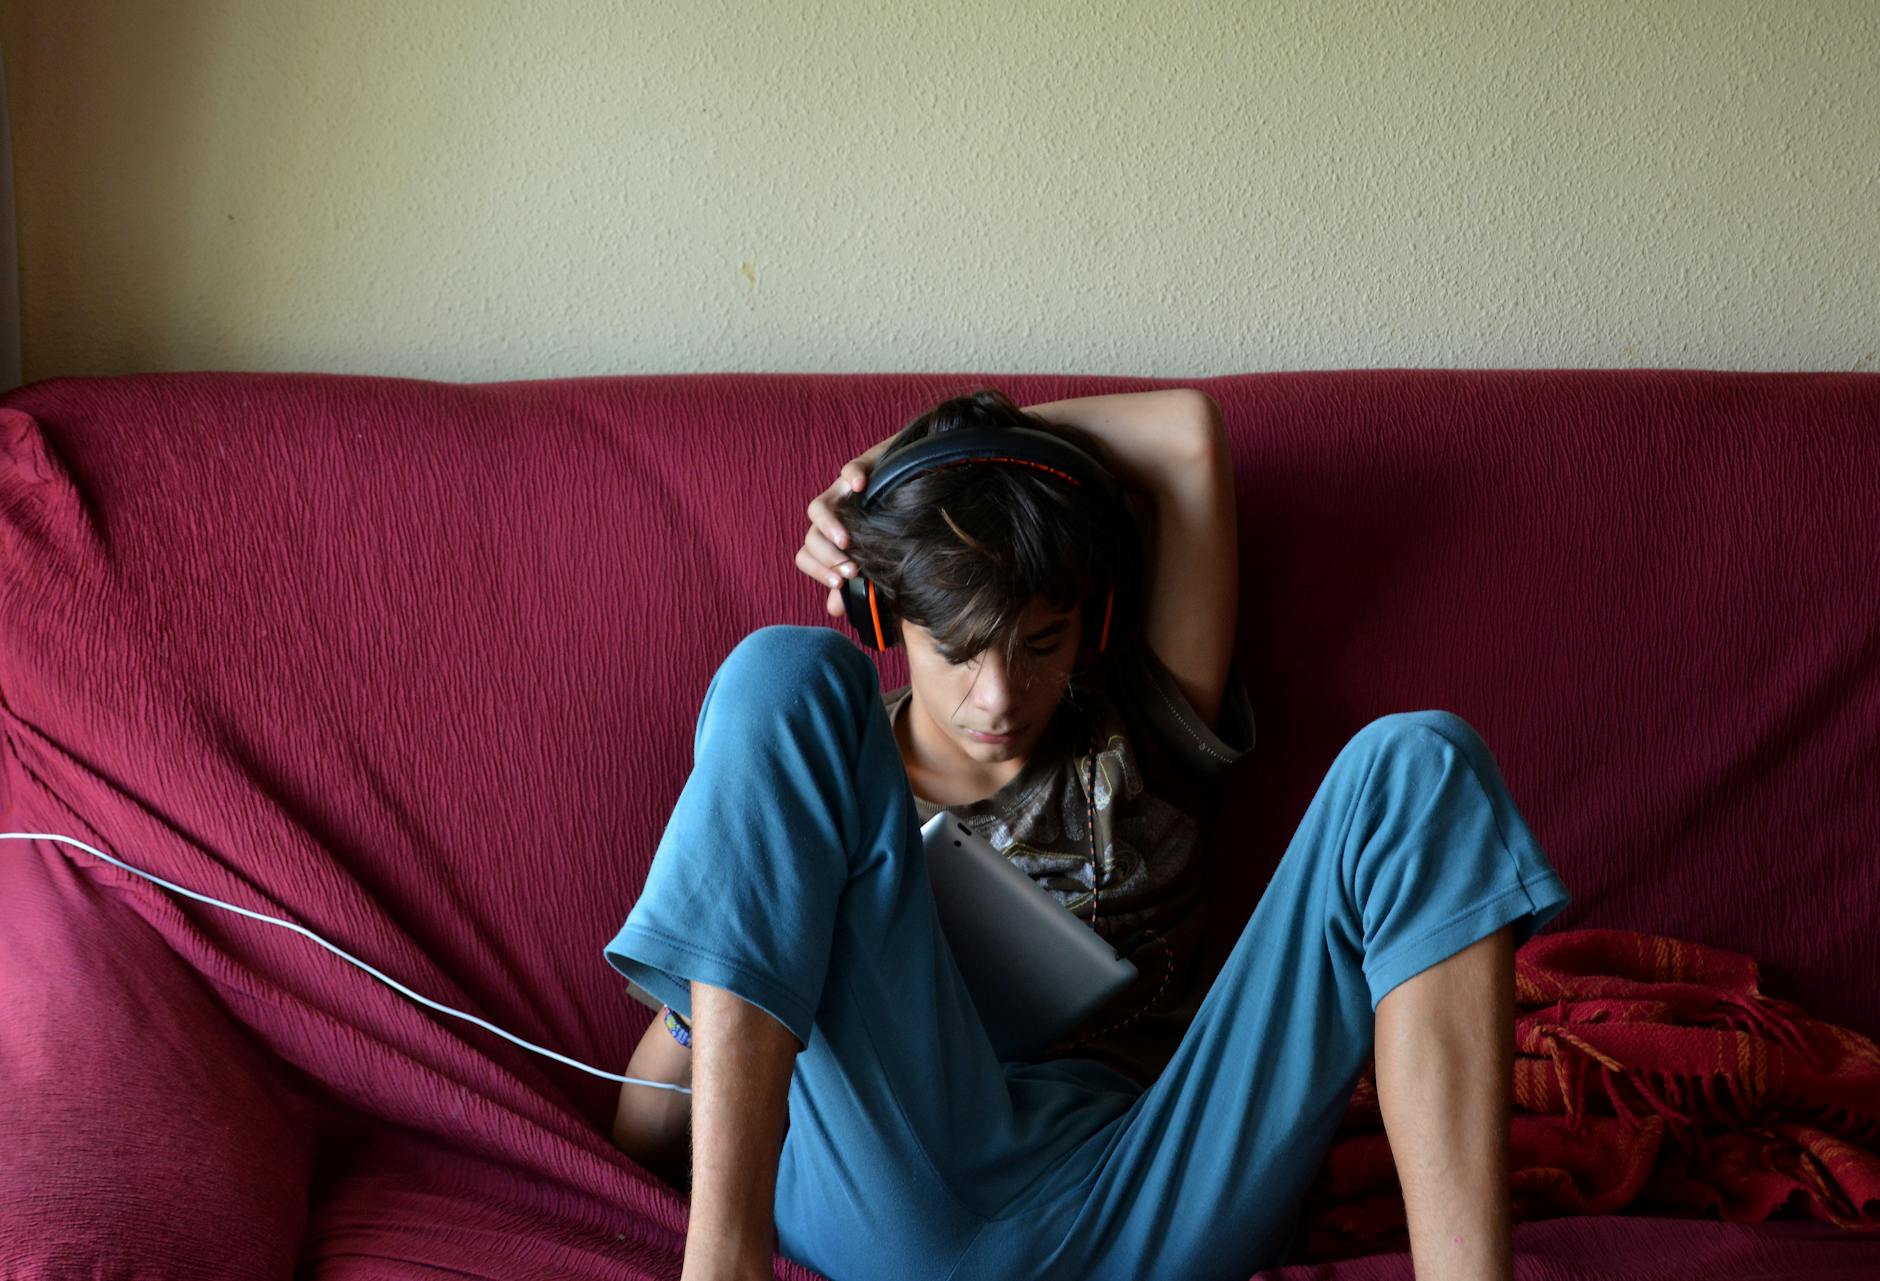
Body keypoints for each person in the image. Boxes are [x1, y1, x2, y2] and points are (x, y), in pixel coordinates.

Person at [604, 387, 1571, 1281]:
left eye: (1040, 644)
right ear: (884, 609)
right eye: (959, 649)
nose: (999, 695)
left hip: (1149, 1188)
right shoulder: (815, 771)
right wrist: (728, 984)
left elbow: (1189, 437)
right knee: (785, 670)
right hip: (899, 1195)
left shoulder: (1141, 719)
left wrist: (898, 459)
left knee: (1423, 761)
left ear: (1087, 625)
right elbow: (646, 1118)